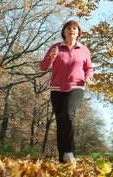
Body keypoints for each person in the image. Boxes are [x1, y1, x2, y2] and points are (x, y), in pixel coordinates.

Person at [40, 20, 93, 164]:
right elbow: (43, 67)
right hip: (57, 89)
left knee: (68, 115)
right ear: (64, 32)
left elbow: (89, 68)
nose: (72, 30)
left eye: (75, 28)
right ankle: (62, 156)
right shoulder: (56, 47)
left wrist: (88, 77)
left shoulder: (84, 50)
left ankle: (69, 151)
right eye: (69, 28)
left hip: (76, 86)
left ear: (78, 33)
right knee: (60, 121)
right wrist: (51, 58)